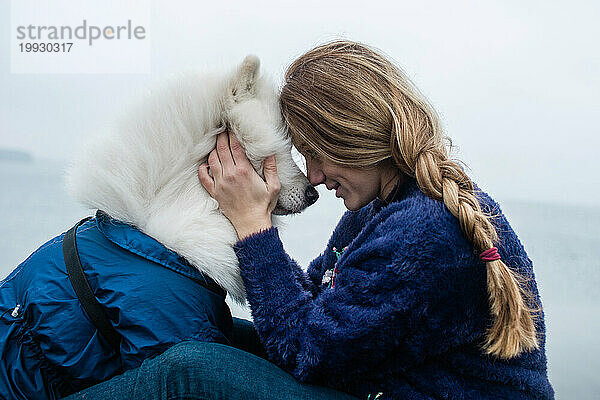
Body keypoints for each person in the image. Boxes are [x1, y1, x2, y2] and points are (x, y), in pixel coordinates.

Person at [66, 40, 554, 399]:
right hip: (377, 384)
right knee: (207, 331)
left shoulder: (424, 236)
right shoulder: (380, 213)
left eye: (317, 156)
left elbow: (307, 351)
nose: (314, 177)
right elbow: (314, 313)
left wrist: (253, 229)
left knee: (187, 372)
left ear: (355, 139)